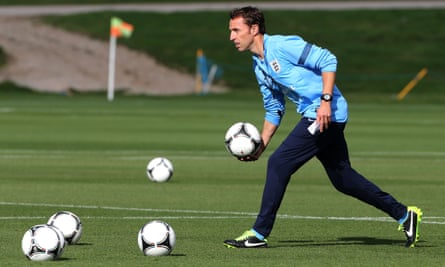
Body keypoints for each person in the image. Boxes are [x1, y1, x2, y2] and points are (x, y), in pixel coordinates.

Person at [223, 6, 422, 249]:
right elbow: (274, 107)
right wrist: (261, 144)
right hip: (318, 116)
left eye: (236, 30)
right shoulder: (258, 65)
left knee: (279, 164)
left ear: (253, 29)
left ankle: (259, 234)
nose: (232, 37)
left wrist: (325, 101)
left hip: (326, 116)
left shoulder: (282, 46)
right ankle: (404, 214)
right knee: (343, 179)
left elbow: (328, 59)